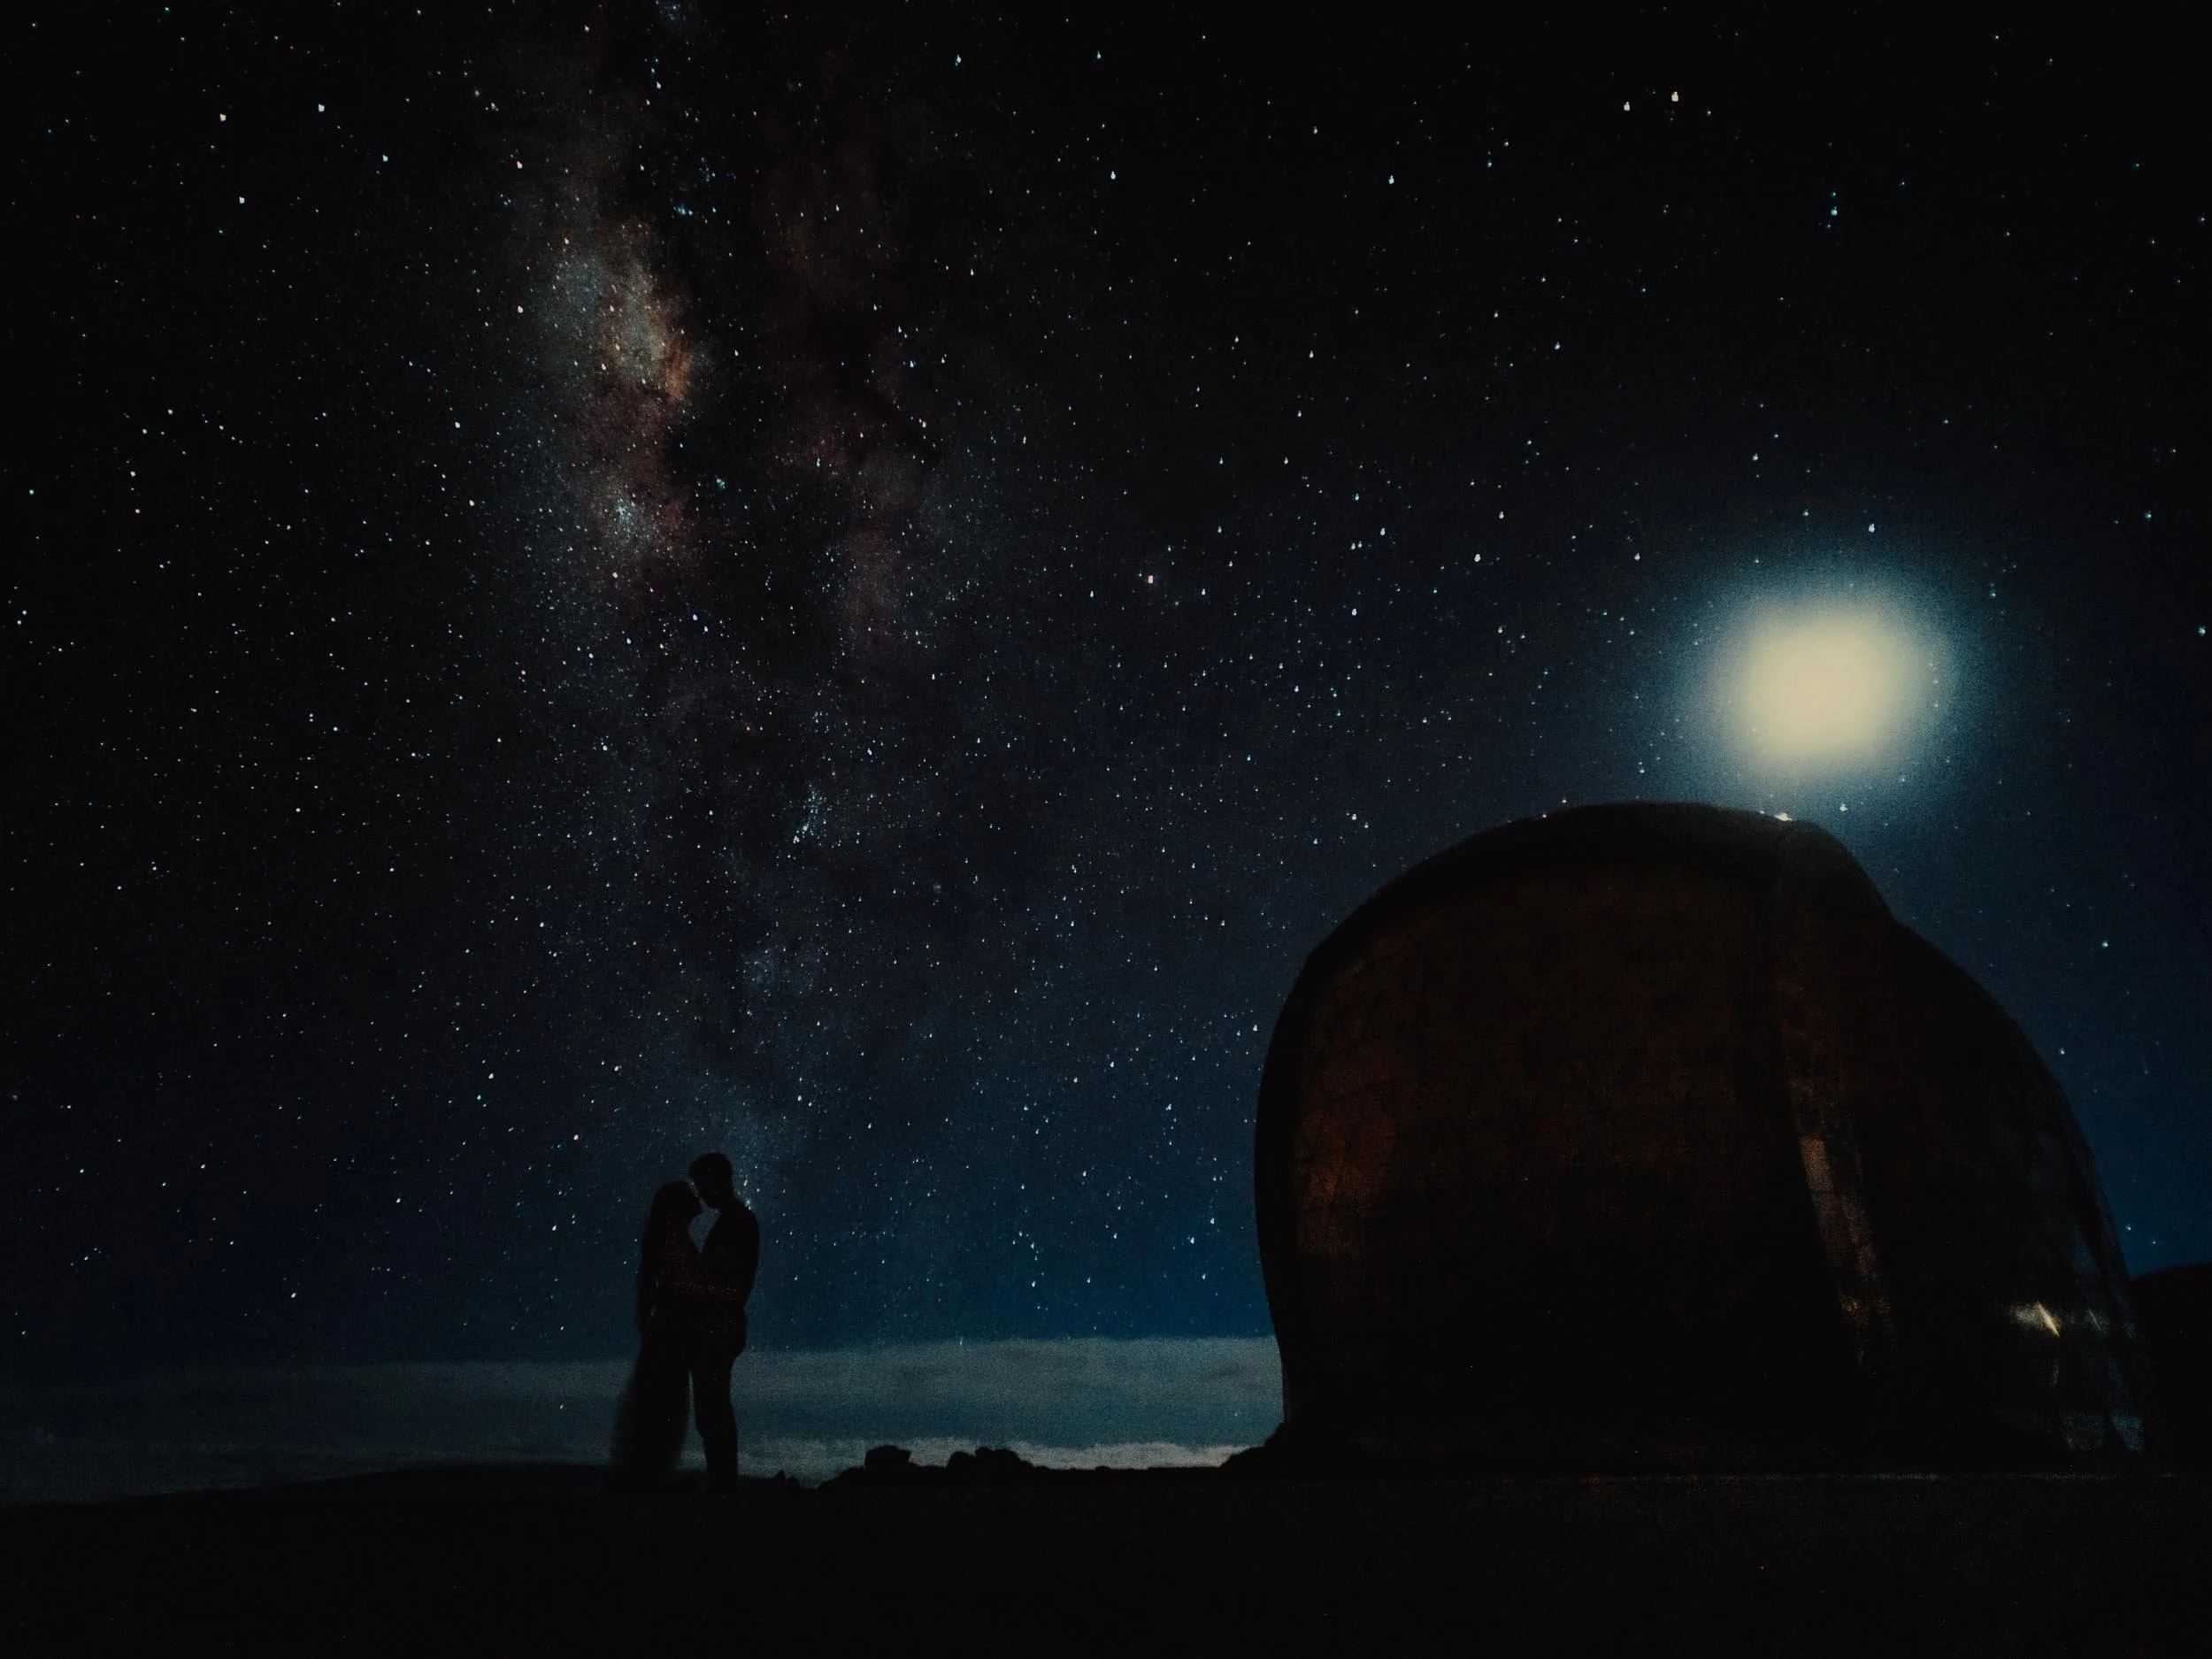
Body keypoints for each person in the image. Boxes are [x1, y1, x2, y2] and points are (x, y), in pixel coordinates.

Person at [609, 1180, 708, 1486]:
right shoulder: (673, 1240)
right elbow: (683, 1286)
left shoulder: (666, 1238)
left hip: (668, 1333)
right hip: (673, 1335)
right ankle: (649, 1477)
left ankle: (646, 1476)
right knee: (663, 1406)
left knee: (658, 1406)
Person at [687, 1151, 760, 1494]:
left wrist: (693, 1288)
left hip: (719, 1326)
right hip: (721, 1325)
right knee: (712, 1409)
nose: (700, 1195)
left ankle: (723, 1487)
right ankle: (723, 1484)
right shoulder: (736, 1221)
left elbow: (731, 1285)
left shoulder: (737, 1223)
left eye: (703, 1185)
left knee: (712, 1409)